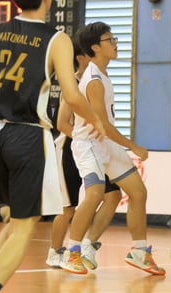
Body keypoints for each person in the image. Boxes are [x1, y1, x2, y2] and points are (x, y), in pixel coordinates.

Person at [0, 0, 107, 293]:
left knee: (13, 219)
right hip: (27, 135)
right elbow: (71, 93)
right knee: (26, 226)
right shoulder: (56, 39)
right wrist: (95, 119)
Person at [61, 21, 165, 276]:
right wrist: (133, 146)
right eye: (110, 40)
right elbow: (102, 125)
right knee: (95, 193)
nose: (116, 43)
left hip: (105, 145)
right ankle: (71, 252)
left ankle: (139, 251)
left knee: (137, 192)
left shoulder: (103, 74)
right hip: (89, 145)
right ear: (95, 47)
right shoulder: (94, 79)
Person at [46, 31, 122, 270]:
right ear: (82, 57)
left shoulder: (100, 79)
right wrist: (85, 136)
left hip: (99, 148)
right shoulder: (74, 85)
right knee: (68, 207)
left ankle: (88, 244)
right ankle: (56, 251)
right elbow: (61, 124)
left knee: (113, 196)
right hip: (72, 148)